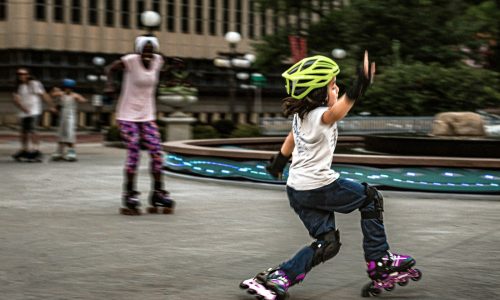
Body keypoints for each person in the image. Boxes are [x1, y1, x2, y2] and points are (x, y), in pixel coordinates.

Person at [240, 52, 420, 299]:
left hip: (297, 189)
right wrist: (359, 86)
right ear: (319, 93)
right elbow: (336, 113)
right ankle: (379, 260)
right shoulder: (319, 115)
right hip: (318, 186)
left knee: (328, 243)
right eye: (333, 87)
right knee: (371, 198)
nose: (337, 90)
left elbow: (292, 139)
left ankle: (280, 276)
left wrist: (278, 162)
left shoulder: (302, 115)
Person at [105, 35, 175, 215]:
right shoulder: (130, 61)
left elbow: (164, 66)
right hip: (127, 116)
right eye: (145, 50)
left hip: (147, 115)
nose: (148, 54)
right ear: (139, 50)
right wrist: (109, 85)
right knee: (134, 148)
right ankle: (129, 194)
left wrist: (174, 66)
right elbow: (111, 68)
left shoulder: (158, 60)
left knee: (156, 151)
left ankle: (158, 193)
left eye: (151, 51)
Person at [12, 68, 55, 162]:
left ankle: (36, 150)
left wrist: (51, 106)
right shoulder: (18, 86)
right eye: (19, 74)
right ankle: (24, 149)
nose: (21, 76)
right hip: (23, 113)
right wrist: (21, 107)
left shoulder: (34, 84)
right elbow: (16, 99)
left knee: (33, 130)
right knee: (23, 132)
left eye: (23, 74)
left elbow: (44, 95)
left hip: (34, 111)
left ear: (28, 75)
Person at [50, 79, 87, 161]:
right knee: (61, 133)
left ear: (72, 88)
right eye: (66, 87)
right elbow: (53, 94)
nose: (68, 89)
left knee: (70, 134)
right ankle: (59, 151)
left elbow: (83, 100)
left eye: (69, 88)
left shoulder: (75, 95)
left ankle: (71, 152)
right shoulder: (62, 94)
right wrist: (55, 90)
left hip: (71, 116)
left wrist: (81, 100)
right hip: (63, 115)